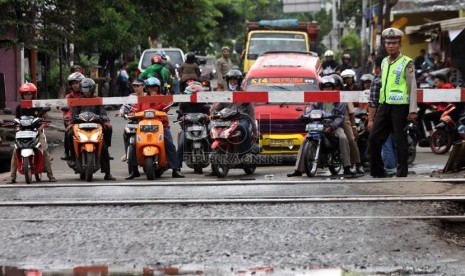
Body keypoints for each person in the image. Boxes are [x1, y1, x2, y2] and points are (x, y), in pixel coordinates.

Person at [369, 27, 418, 178]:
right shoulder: (383, 62)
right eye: (388, 43)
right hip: (384, 106)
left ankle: (402, 172)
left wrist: (413, 109)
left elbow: (412, 86)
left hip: (400, 107)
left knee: (400, 139)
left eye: (394, 43)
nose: (391, 46)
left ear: (400, 45)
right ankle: (378, 171)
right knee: (374, 138)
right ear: (385, 45)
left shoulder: (407, 63)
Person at [287, 76, 356, 177]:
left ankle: (347, 167)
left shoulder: (339, 99)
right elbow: (311, 109)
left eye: (329, 87)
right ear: (321, 88)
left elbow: (340, 117)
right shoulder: (317, 98)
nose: (327, 89)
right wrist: (304, 115)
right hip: (318, 125)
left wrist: (332, 126)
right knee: (305, 140)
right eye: (325, 87)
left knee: (343, 138)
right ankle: (298, 169)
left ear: (333, 88)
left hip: (334, 126)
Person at [126, 77, 184, 179]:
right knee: (134, 144)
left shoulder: (162, 97)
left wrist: (156, 98)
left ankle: (176, 169)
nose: (153, 89)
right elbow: (135, 109)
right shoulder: (142, 99)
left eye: (155, 87)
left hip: (161, 126)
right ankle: (134, 170)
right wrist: (132, 113)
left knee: (169, 144)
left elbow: (166, 107)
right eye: (150, 87)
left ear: (158, 88)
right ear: (147, 88)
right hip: (144, 126)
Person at [67, 78, 116, 180]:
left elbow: (102, 112)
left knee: (105, 143)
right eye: (84, 89)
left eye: (88, 89)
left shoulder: (98, 99)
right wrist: (72, 121)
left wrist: (104, 119)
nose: (86, 92)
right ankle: (69, 154)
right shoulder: (77, 101)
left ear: (92, 89)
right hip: (80, 125)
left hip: (95, 126)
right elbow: (74, 113)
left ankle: (107, 173)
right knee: (68, 134)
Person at [7, 82, 57, 183]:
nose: (27, 96)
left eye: (29, 94)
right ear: (22, 95)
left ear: (33, 95)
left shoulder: (38, 106)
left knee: (44, 150)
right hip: (23, 132)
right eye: (25, 94)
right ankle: (12, 177)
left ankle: (50, 175)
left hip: (36, 132)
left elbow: (46, 120)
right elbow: (16, 121)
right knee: (15, 151)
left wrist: (40, 128)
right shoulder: (19, 107)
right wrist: (17, 128)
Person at [368, 56, 398, 177]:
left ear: (377, 68)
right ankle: (395, 167)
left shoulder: (377, 81)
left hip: (383, 115)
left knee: (384, 142)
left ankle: (390, 168)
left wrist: (370, 120)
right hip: (397, 114)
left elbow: (373, 103)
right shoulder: (396, 79)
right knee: (395, 142)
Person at [176, 82, 211, 174]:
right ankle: (176, 169)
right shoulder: (183, 103)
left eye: (195, 94)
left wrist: (208, 117)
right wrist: (181, 118)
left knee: (213, 139)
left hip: (202, 128)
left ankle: (217, 164)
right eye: (191, 94)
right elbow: (179, 117)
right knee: (181, 144)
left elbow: (208, 115)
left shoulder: (203, 102)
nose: (193, 96)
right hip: (187, 128)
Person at [419, 74, 455, 145]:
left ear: (442, 82)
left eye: (436, 82)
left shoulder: (445, 88)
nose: (435, 84)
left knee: (426, 117)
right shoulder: (447, 87)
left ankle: (432, 136)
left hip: (446, 111)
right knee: (435, 118)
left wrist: (430, 102)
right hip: (447, 109)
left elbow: (432, 100)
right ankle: (438, 135)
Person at [340, 69, 364, 174]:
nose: (347, 80)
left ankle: (358, 163)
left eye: (348, 78)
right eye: (345, 79)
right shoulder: (330, 94)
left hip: (352, 116)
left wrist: (354, 127)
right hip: (332, 120)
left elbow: (351, 111)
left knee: (351, 139)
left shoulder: (354, 90)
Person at [119, 78, 146, 163]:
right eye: (134, 86)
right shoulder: (131, 97)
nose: (136, 88)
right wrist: (122, 112)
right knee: (126, 132)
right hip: (134, 122)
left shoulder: (147, 96)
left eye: (137, 86)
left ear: (143, 86)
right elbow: (124, 107)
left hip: (146, 122)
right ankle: (127, 152)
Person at [61, 72, 85, 160]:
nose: (75, 85)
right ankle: (68, 152)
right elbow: (64, 107)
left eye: (77, 83)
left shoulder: (85, 95)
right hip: (71, 121)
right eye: (73, 83)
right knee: (68, 134)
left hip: (85, 120)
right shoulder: (69, 96)